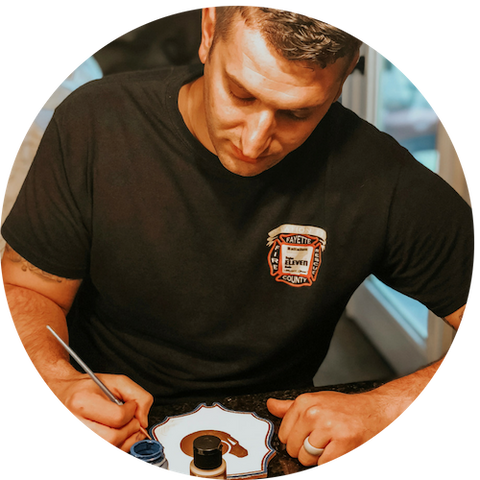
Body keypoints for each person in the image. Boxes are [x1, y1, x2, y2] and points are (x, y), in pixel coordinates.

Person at [1, 2, 476, 469]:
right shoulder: (96, 122)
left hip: (278, 441)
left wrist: (388, 407)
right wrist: (59, 383)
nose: (254, 142)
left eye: (298, 114)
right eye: (240, 94)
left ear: (347, 73)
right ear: (209, 29)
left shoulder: (380, 177)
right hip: (115, 424)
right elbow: (27, 289)